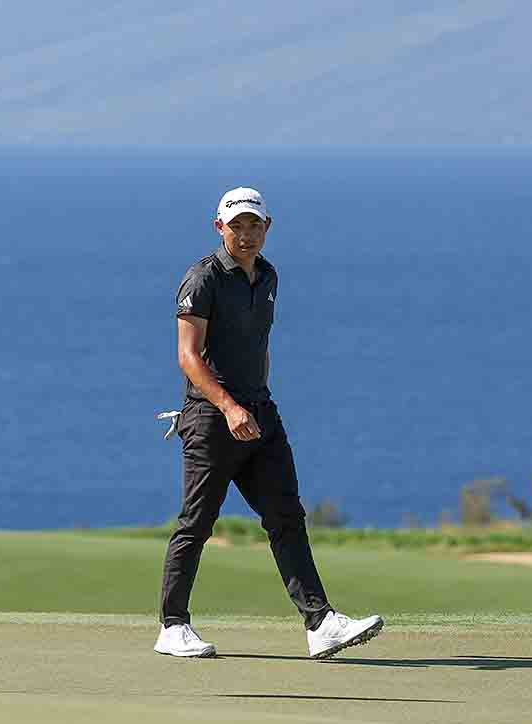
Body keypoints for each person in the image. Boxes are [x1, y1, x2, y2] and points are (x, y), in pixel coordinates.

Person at [153, 186, 384, 660]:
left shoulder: (269, 276)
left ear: (267, 227)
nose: (246, 233)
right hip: (212, 419)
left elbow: (259, 346)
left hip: (260, 415)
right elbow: (188, 357)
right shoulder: (202, 279)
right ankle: (172, 626)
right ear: (220, 228)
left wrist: (255, 403)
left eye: (254, 224)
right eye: (236, 225)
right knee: (197, 523)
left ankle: (320, 623)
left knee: (286, 518)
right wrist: (230, 407)